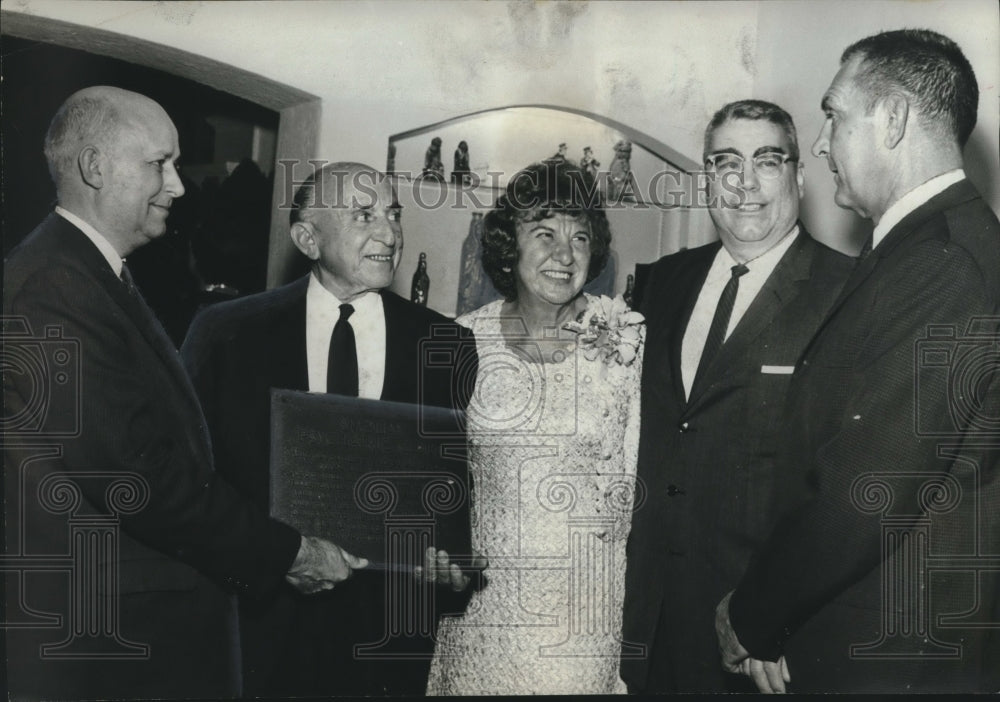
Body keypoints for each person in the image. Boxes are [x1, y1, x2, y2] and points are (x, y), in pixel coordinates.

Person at [2, 86, 365, 700]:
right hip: (104, 641)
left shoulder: (82, 274)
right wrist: (289, 552)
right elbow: (138, 477)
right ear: (95, 167)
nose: (177, 185)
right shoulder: (54, 289)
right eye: (159, 164)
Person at [717, 29, 1000, 694]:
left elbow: (866, 493)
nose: (819, 143)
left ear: (895, 119)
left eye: (834, 116)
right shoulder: (924, 248)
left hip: (891, 661)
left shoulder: (943, 262)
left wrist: (753, 617)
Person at [181, 161, 478, 696]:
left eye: (392, 213)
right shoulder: (226, 333)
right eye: (364, 216)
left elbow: (452, 493)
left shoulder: (447, 345)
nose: (390, 233)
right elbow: (191, 483)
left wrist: (449, 569)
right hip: (259, 632)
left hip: (387, 643)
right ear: (308, 238)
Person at [619, 100, 854, 694]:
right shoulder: (662, 281)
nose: (744, 183)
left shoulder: (848, 293)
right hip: (640, 625)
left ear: (800, 177)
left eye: (767, 161)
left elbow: (846, 487)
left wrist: (774, 618)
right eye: (726, 162)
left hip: (753, 643)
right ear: (706, 180)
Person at [425, 160, 645, 695]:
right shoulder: (458, 341)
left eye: (580, 237)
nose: (564, 255)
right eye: (543, 233)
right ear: (509, 245)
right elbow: (432, 478)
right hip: (481, 613)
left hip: (583, 619)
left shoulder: (628, 339)